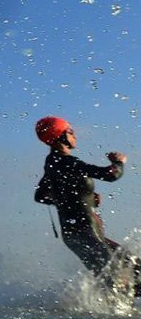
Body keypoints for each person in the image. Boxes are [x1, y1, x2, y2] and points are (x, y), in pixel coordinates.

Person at [33, 116, 140, 295]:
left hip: (78, 234)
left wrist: (84, 198)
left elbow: (40, 196)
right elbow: (110, 175)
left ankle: (105, 312)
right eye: (71, 132)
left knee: (132, 271)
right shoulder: (68, 162)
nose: (75, 135)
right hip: (86, 234)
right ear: (60, 135)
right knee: (116, 284)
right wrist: (118, 162)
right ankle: (102, 316)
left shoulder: (52, 163)